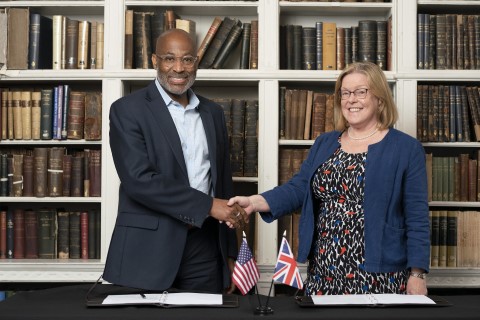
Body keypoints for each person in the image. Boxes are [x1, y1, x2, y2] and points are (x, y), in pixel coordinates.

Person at [229, 61, 430, 296]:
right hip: (325, 269)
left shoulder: (406, 149)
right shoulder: (325, 143)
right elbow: (299, 188)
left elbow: (417, 218)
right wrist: (254, 202)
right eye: (345, 93)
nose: (351, 99)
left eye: (361, 92)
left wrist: (417, 274)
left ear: (380, 98)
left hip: (379, 272)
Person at [103, 29, 247, 294]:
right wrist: (207, 206)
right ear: (154, 60)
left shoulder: (213, 113)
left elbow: (222, 183)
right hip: (148, 247)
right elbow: (139, 180)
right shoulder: (127, 110)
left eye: (188, 59)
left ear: (197, 62)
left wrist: (229, 251)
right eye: (169, 59)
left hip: (204, 245)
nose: (179, 68)